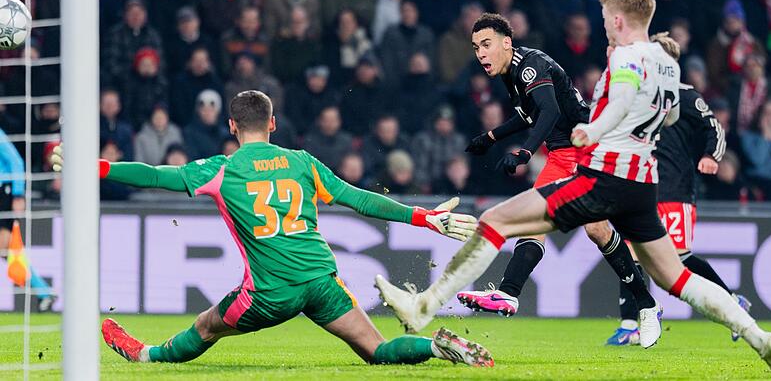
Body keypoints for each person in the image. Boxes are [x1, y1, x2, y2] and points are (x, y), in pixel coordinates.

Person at [375, 0, 771, 378]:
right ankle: (759, 336)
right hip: (643, 184)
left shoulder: (626, 58)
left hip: (603, 176)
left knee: (497, 220)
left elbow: (621, 99)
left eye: (607, 15)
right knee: (677, 278)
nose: (605, 24)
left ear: (618, 19)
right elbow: (670, 116)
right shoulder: (666, 65)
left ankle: (425, 308)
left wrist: (593, 130)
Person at [51, 91, 492, 367]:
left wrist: (94, 166)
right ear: (273, 124)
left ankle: (143, 354)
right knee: (377, 352)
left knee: (206, 326)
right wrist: (425, 216)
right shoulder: (302, 161)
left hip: (269, 294)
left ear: (232, 127)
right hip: (322, 280)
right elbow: (361, 199)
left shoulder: (222, 169)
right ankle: (435, 345)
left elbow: (154, 174)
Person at [452, 13, 658, 328]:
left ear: (507, 43)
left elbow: (550, 111)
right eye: (476, 46)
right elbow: (529, 115)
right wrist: (491, 137)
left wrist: (523, 151)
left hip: (588, 149)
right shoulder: (512, 73)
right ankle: (508, 294)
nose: (480, 52)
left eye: (486, 44)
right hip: (563, 155)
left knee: (596, 230)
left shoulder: (529, 64)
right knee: (535, 222)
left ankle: (645, 304)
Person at [606, 33, 751, 346]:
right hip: (641, 186)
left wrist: (712, 156)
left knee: (679, 259)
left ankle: (732, 302)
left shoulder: (685, 96)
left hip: (675, 190)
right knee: (629, 252)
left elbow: (714, 128)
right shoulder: (637, 94)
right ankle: (631, 322)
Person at [0, 126, 56, 311]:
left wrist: (17, 194)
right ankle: (43, 292)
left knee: (5, 247)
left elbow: (15, 161)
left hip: (3, 192)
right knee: (6, 250)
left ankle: (43, 292)